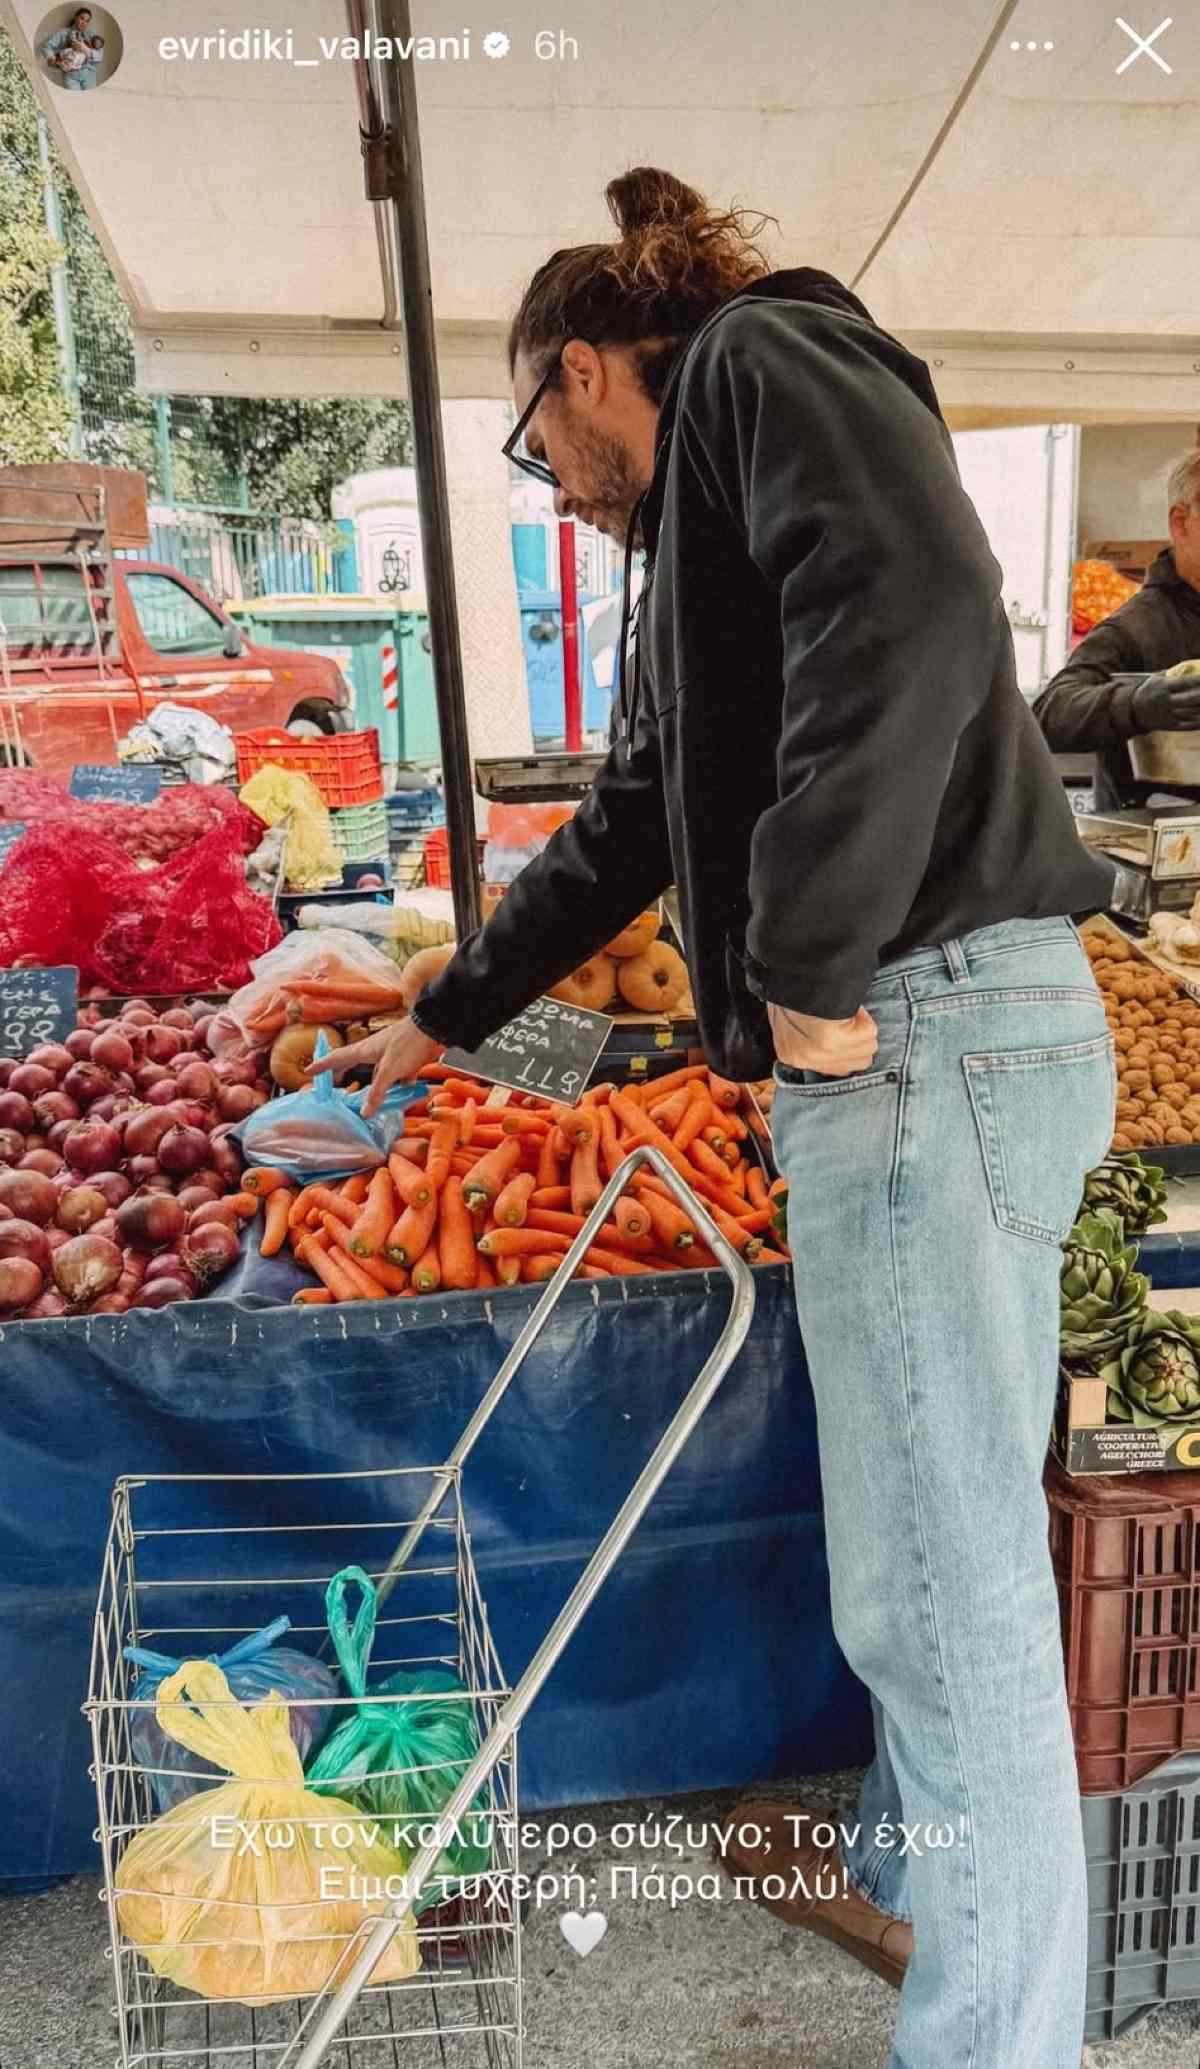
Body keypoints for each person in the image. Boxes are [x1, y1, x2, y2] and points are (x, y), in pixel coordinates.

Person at [313, 167, 1117, 2068]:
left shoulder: (763, 357)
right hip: (921, 1042)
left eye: (538, 446)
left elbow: (914, 607)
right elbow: (628, 816)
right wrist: (451, 1009)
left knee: (947, 1591)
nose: (553, 491)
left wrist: (814, 968)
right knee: (934, 1559)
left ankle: (997, 2034)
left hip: (924, 1033)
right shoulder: (698, 541)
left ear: (586, 368)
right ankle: (940, 1894)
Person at [1034, 449, 1200, 808]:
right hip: (1158, 843)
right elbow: (1049, 712)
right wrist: (1138, 704)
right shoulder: (1135, 627)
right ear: (1181, 523)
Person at [41, 8, 101, 90]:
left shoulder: (91, 35)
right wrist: (53, 60)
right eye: (82, 18)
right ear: (76, 17)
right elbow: (47, 47)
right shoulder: (63, 33)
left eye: (87, 21)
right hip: (71, 75)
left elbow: (99, 56)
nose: (83, 23)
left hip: (89, 74)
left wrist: (85, 49)